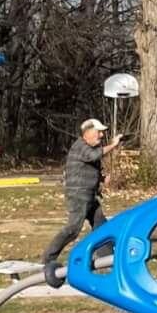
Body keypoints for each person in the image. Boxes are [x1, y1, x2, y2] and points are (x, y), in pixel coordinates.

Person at [41, 117, 120, 283]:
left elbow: (92, 165)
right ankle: (48, 258)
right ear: (87, 132)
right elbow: (93, 156)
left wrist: (102, 177)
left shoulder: (91, 147)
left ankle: (109, 258)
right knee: (73, 229)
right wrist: (113, 145)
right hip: (78, 195)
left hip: (90, 195)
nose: (100, 135)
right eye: (98, 132)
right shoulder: (81, 146)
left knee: (101, 225)